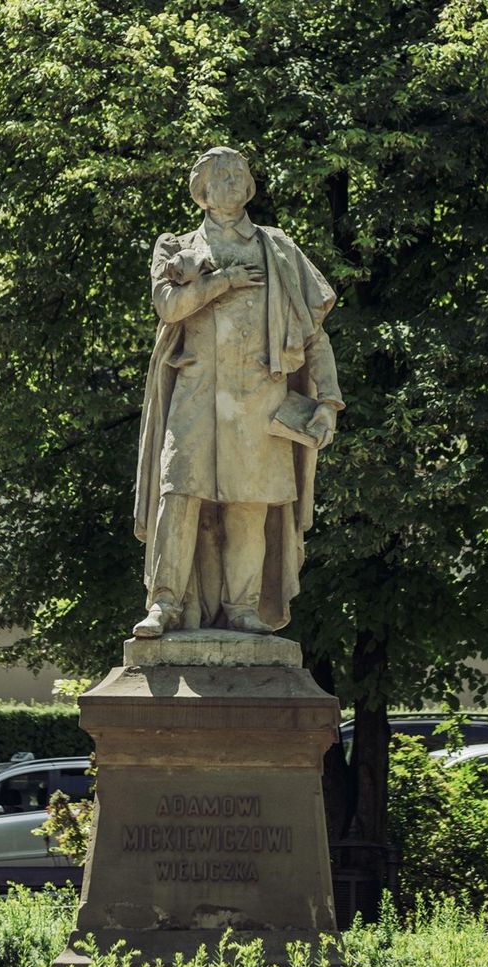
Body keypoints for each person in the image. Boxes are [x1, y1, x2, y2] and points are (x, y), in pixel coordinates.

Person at [133, 147, 344, 638]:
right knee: (178, 495)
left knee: (250, 507)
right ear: (201, 191)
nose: (230, 182)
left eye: (238, 174)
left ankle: (244, 606)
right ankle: (165, 602)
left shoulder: (279, 249)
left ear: (249, 187)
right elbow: (168, 307)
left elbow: (314, 335)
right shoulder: (175, 247)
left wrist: (328, 402)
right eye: (219, 175)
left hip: (259, 401)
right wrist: (222, 281)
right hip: (196, 393)